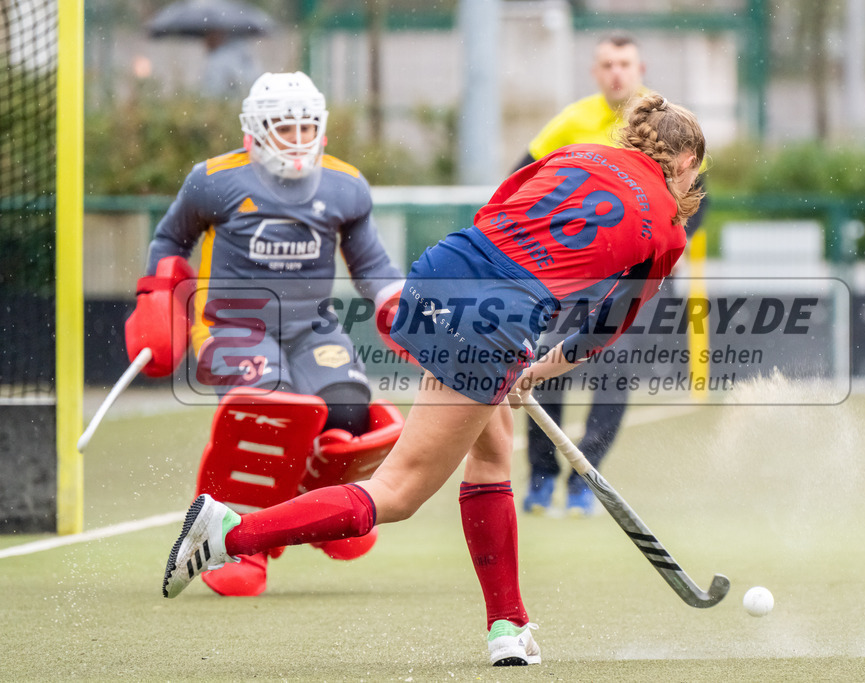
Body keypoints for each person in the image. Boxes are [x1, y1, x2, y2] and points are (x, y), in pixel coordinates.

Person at [161, 91, 706, 667]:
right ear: (686, 162)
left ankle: (507, 627)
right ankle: (228, 533)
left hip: (440, 273)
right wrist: (530, 362)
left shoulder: (578, 154)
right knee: (398, 492)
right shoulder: (668, 230)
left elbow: (495, 215)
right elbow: (603, 330)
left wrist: (511, 356)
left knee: (492, 453)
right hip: (496, 320)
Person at [126, 72, 406, 597]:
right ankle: (238, 544)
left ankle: (321, 507)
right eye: (284, 128)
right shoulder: (214, 179)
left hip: (311, 326)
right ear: (254, 131)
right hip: (233, 325)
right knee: (270, 419)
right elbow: (170, 239)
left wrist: (402, 306)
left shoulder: (345, 185)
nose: (297, 140)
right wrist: (159, 297)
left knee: (350, 413)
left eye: (306, 128)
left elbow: (373, 266)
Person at [512, 31, 709, 517]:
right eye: (607, 64)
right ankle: (541, 477)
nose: (616, 72)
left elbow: (695, 196)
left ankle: (586, 479)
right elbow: (523, 178)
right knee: (550, 370)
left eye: (624, 63)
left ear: (640, 71)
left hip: (632, 278)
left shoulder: (671, 127)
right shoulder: (573, 121)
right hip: (573, 274)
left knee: (613, 372)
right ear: (596, 73)